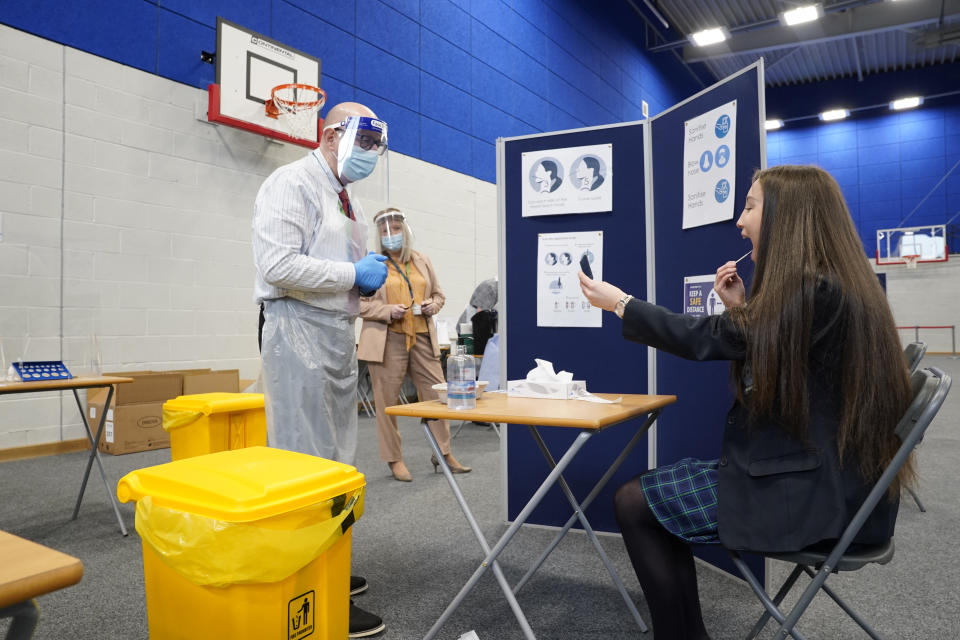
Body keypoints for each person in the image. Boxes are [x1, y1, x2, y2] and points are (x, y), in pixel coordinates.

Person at [578, 165, 913, 640]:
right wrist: (741, 308)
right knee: (646, 495)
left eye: (751, 206)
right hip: (834, 483)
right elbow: (772, 348)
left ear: (788, 216)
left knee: (635, 501)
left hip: (819, 499)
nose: (740, 220)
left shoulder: (812, 287)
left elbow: (709, 338)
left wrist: (621, 303)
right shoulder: (830, 284)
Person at [252, 101, 390, 638]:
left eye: (379, 146)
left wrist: (360, 281)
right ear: (332, 135)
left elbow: (328, 269)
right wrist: (350, 272)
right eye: (366, 142)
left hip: (334, 333)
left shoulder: (345, 197)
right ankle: (310, 588)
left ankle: (325, 564)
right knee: (303, 462)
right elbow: (277, 265)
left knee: (335, 462)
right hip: (297, 330)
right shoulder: (290, 183)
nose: (371, 155)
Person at [358, 208, 471, 481]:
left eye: (395, 229)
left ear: (405, 231)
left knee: (436, 397)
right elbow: (359, 304)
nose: (390, 235)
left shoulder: (422, 260)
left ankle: (442, 453)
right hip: (387, 338)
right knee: (387, 403)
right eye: (384, 231)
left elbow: (438, 294)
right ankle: (394, 459)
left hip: (421, 335)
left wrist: (434, 304)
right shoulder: (371, 263)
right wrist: (386, 310)